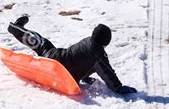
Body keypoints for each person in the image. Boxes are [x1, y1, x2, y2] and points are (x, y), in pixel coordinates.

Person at [7, 16, 137, 94]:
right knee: (43, 44)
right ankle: (16, 27)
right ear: (105, 42)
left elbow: (81, 60)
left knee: (40, 43)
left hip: (54, 57)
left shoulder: (88, 41)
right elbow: (107, 72)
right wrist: (119, 88)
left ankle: (16, 28)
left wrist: (85, 76)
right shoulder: (99, 54)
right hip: (60, 68)